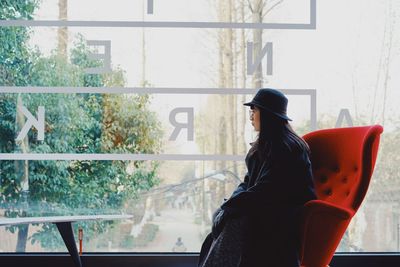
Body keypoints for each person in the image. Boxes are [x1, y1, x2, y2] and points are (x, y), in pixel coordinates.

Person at [198, 88, 317, 267]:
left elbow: (264, 192)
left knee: (232, 222)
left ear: (268, 115)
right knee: (228, 219)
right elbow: (248, 183)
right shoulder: (267, 145)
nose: (251, 116)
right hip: (265, 210)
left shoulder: (286, 149)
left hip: (282, 218)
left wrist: (228, 208)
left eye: (254, 110)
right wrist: (228, 205)